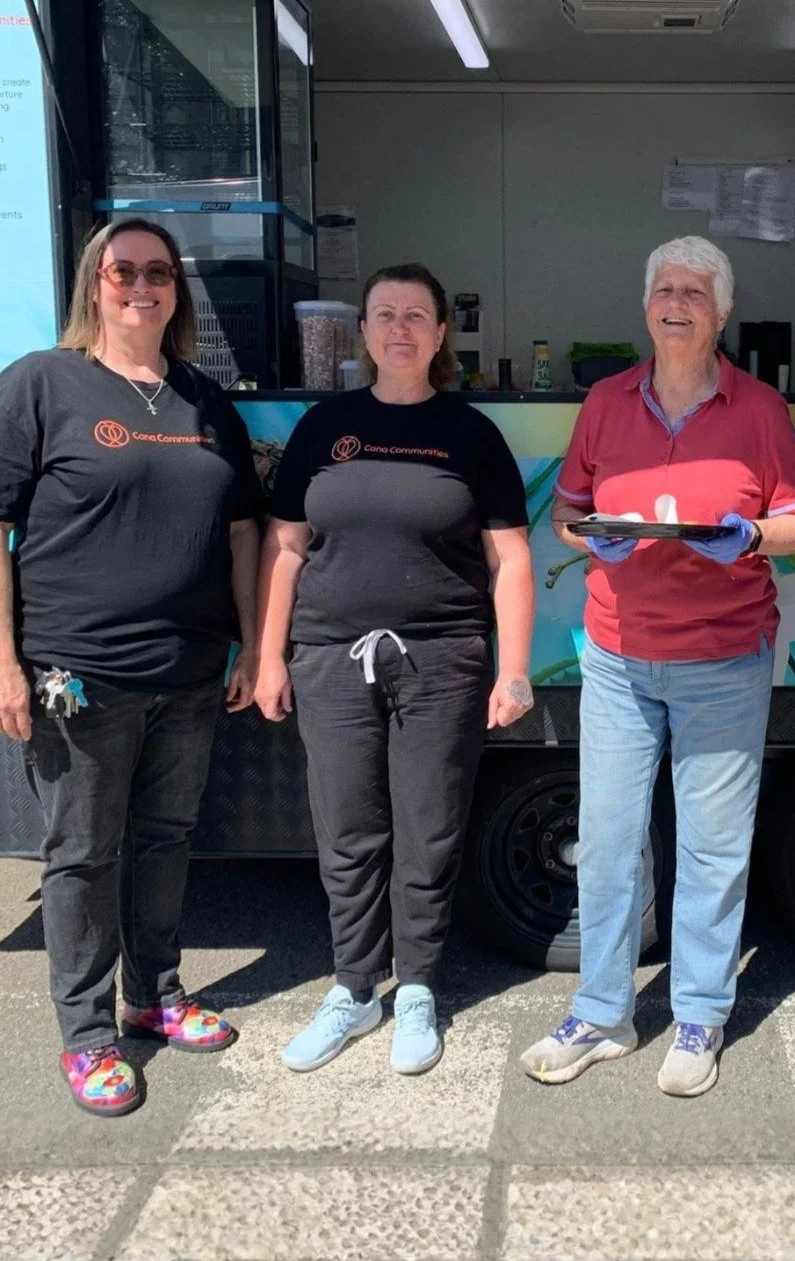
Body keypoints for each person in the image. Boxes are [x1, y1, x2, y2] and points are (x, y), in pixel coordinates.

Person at [520, 236, 795, 1097]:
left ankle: (698, 1012)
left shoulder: (758, 409)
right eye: (663, 287)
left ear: (720, 312)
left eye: (694, 289)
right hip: (616, 653)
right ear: (645, 306)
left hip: (724, 657)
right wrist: (588, 534)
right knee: (609, 842)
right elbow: (570, 514)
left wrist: (754, 536)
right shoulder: (607, 401)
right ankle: (603, 1010)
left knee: (713, 847)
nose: (676, 301)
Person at [0, 219, 264, 1116]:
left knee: (163, 838)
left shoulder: (202, 399)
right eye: (123, 272)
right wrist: (3, 661)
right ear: (95, 283)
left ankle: (152, 994)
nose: (140, 286)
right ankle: (85, 1034)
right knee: (80, 853)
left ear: (176, 290)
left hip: (187, 671)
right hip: (78, 673)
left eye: (158, 272)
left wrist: (251, 642)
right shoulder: (44, 383)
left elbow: (240, 529)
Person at [255, 262, 535, 1076]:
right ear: (364, 331)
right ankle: (353, 986)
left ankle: (414, 986)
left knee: (428, 827)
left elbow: (510, 558)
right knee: (346, 830)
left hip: (442, 660)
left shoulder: (471, 434)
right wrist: (270, 655)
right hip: (331, 657)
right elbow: (284, 546)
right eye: (385, 314)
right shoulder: (324, 426)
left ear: (441, 332)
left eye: (417, 315)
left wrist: (511, 669)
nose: (400, 328)